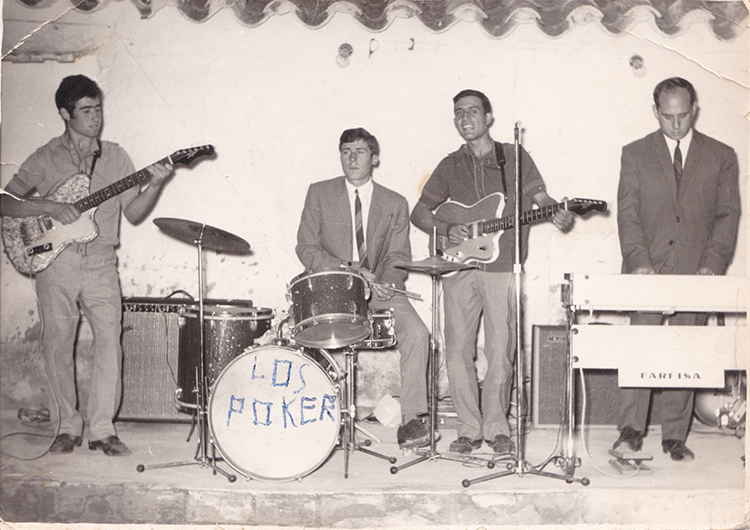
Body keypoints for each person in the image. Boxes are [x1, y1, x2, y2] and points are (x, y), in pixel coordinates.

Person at [0, 75, 174, 456]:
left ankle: (101, 429)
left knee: (110, 342)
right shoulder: (45, 156)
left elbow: (135, 213)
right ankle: (66, 426)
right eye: (86, 111)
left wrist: (156, 185)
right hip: (55, 263)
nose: (96, 118)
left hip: (100, 262)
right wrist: (48, 207)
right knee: (56, 344)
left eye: (98, 109)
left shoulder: (116, 157)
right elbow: (5, 201)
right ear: (65, 114)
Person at [411, 89, 573, 456]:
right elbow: (419, 213)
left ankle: (497, 427)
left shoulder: (514, 156)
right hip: (458, 267)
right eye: (458, 113)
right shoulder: (450, 164)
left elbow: (540, 197)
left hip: (503, 266)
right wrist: (443, 229)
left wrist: (555, 210)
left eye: (472, 111)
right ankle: (468, 428)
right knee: (457, 350)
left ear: (489, 117)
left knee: (501, 350)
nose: (465, 117)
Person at [614, 77, 740, 461]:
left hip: (696, 270)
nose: (675, 125)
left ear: (694, 111)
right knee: (640, 350)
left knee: (686, 353)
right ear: (656, 112)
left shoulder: (721, 155)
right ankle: (631, 432)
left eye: (682, 116)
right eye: (667, 116)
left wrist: (711, 265)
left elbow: (727, 215)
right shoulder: (634, 153)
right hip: (647, 269)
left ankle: (674, 436)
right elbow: (627, 213)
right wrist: (639, 264)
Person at [296, 127, 431, 449]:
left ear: (375, 157)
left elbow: (398, 255)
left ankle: (412, 421)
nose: (352, 158)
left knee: (417, 333)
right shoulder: (319, 192)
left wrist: (388, 283)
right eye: (346, 151)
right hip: (333, 286)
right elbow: (306, 247)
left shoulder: (395, 202)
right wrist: (350, 271)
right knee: (305, 334)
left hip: (381, 288)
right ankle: (310, 418)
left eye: (360, 151)